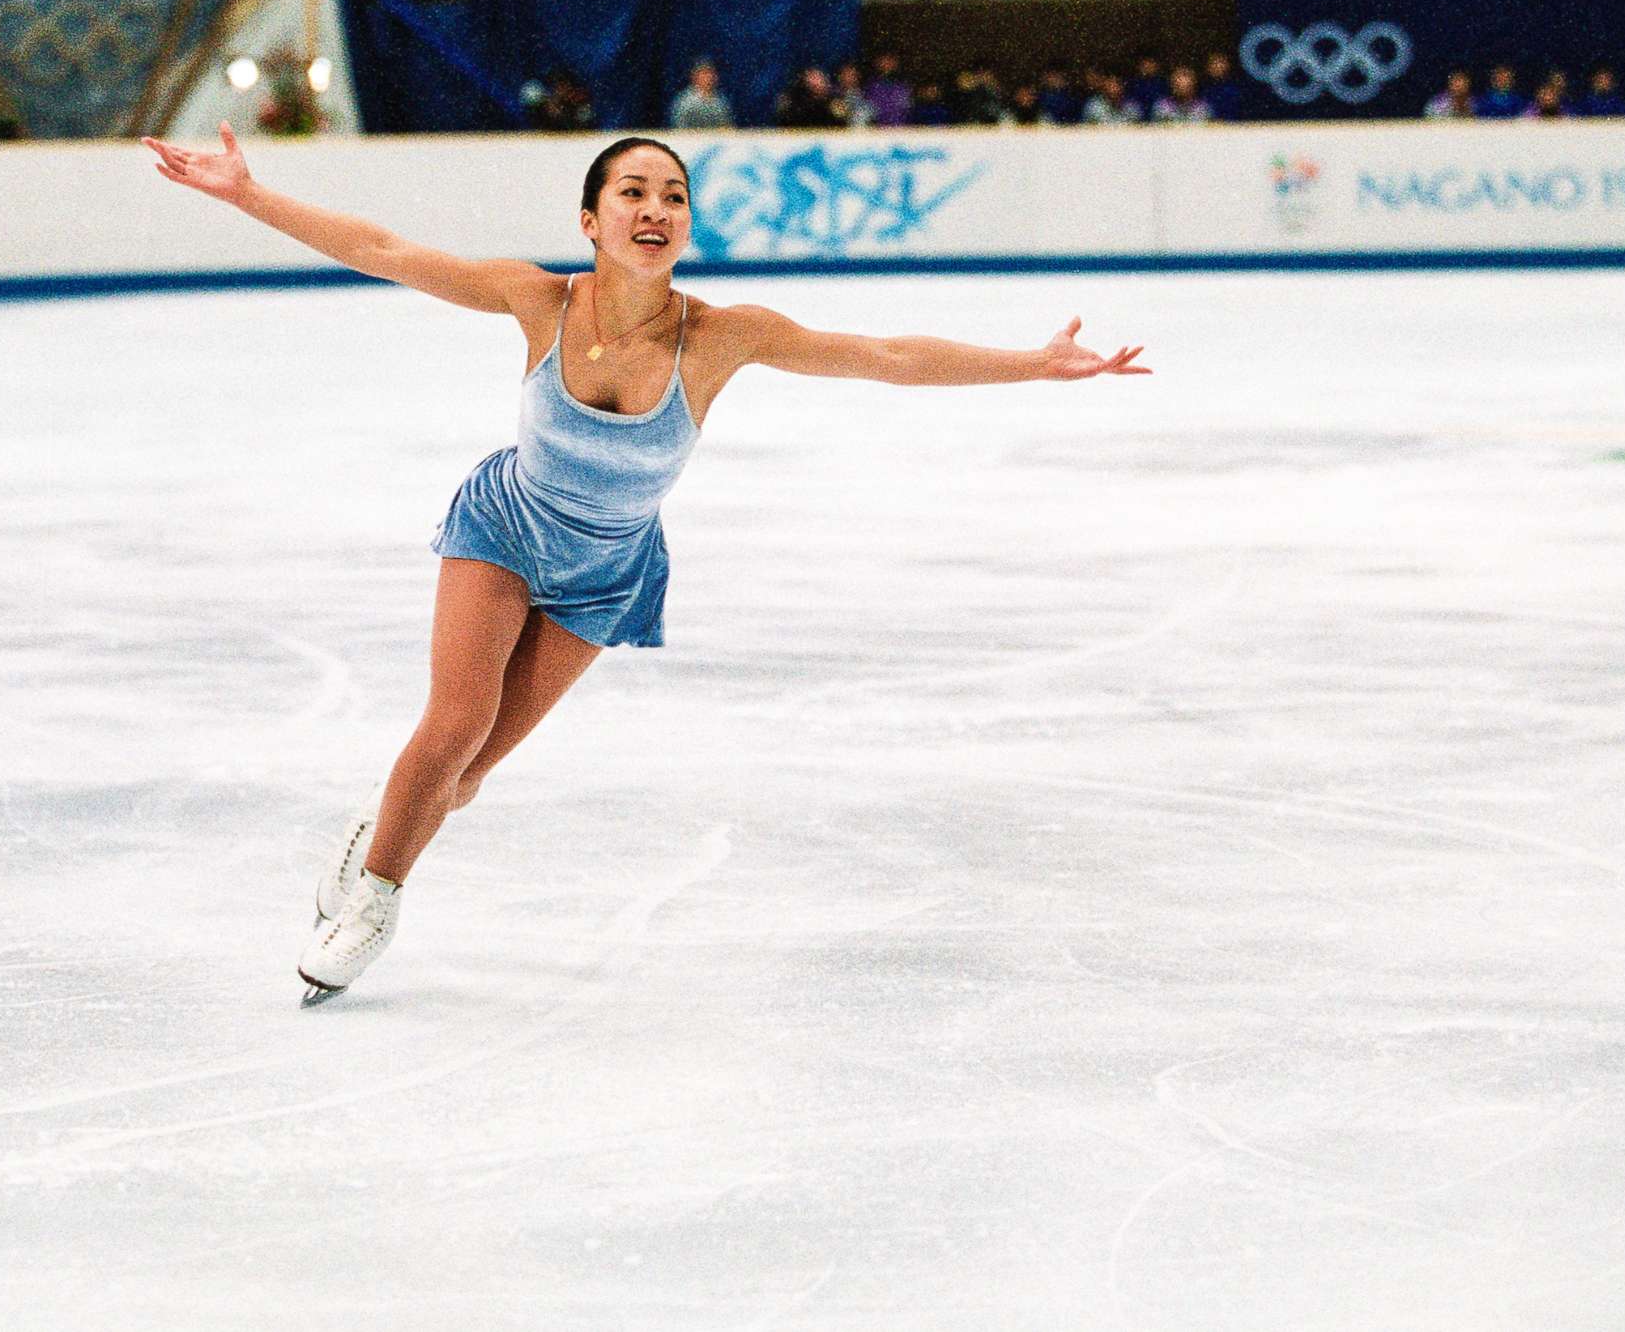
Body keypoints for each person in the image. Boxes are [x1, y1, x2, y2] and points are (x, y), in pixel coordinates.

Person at [137, 127, 1154, 1001]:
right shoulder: (535, 301)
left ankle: (383, 824)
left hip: (608, 571)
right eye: (632, 191)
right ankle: (375, 906)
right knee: (452, 726)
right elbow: (382, 248)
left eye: (673, 194)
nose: (655, 207)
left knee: (470, 772)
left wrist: (1033, 363)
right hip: (504, 529)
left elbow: (885, 354)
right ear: (592, 219)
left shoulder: (721, 339)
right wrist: (250, 193)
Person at [668, 59, 734, 129]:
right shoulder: (684, 102)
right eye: (704, 74)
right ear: (694, 76)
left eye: (710, 74)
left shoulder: (721, 102)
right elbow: (678, 127)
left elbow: (727, 128)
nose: (708, 78)